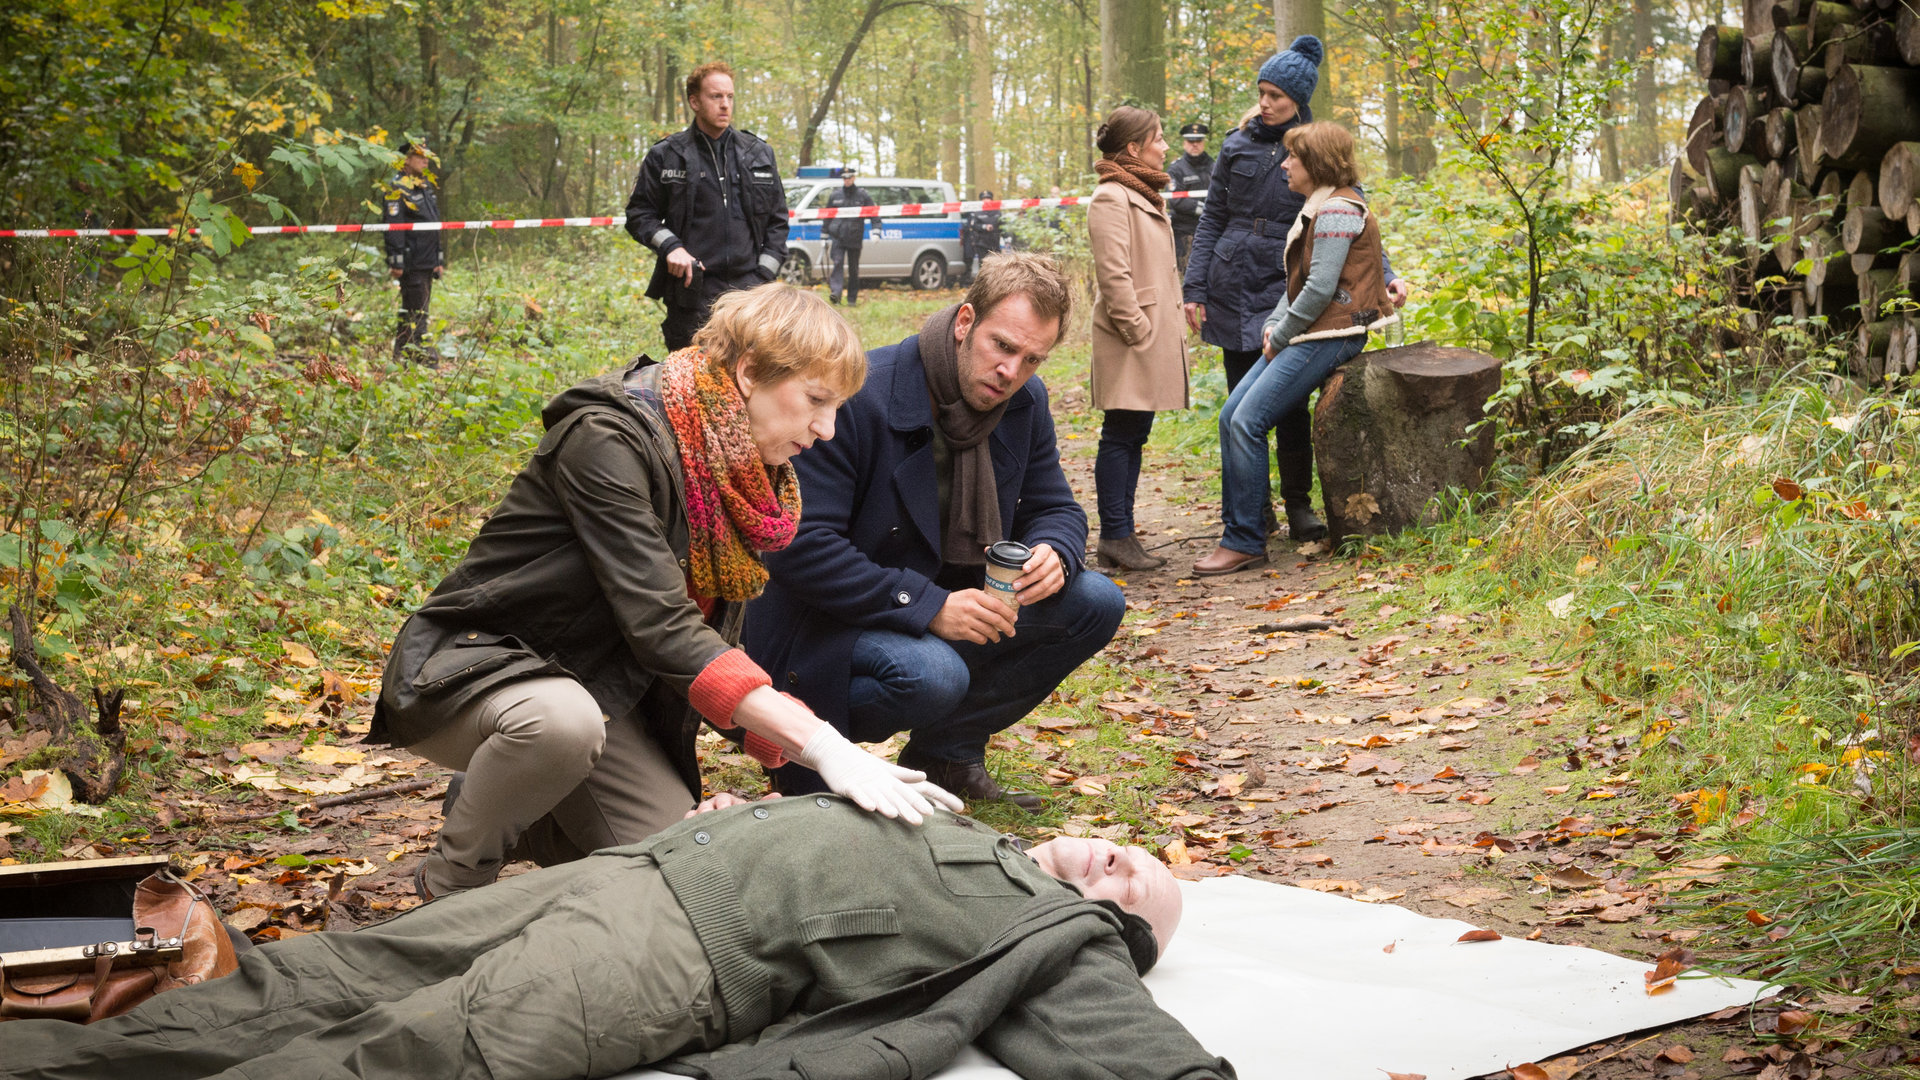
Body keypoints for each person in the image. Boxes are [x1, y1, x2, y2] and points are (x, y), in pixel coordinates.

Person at [371, 284, 960, 902]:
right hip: (483, 667)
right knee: (560, 727)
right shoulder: (609, 437)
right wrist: (822, 744)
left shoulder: (737, 471)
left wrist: (784, 741)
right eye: (816, 400)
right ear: (750, 371)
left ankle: (522, 797)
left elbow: (710, 637)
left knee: (688, 877)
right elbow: (663, 626)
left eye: (837, 407)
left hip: (605, 694)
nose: (827, 429)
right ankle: (451, 882)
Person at [0, 796, 1230, 1080]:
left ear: (1110, 930)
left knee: (401, 1055)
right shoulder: (968, 826)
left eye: (1137, 890)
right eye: (1130, 850)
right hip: (630, 871)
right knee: (324, 974)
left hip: (673, 957)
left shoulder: (1052, 936)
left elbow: (1134, 1048)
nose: (1119, 862)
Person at [744, 253, 1126, 811]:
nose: (1011, 371)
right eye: (1002, 346)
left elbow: (1056, 506)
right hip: (826, 620)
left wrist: (1056, 551)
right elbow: (800, 547)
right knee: (931, 674)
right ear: (965, 322)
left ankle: (948, 754)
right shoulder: (863, 394)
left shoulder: (1024, 402)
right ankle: (810, 759)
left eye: (1031, 359)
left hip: (950, 599)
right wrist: (929, 606)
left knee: (1095, 600)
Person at [1180, 36, 1408, 546]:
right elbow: (1212, 217)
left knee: (1288, 404)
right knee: (1241, 400)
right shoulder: (1236, 144)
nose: (1264, 103)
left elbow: (1355, 219)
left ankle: (1299, 505)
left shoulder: (1316, 149)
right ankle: (1253, 511)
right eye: (1261, 93)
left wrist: (1386, 274)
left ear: (1298, 100)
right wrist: (1195, 287)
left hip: (1293, 278)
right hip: (1234, 279)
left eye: (1276, 96)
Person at [1198, 123, 1398, 577]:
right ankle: (1240, 527)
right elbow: (1301, 282)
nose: (1285, 165)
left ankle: (1244, 541)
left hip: (1333, 334)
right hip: (1311, 331)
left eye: (1293, 158)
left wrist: (1283, 334)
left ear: (1318, 164)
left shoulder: (1339, 209)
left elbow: (1321, 288)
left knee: (1248, 421)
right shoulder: (1319, 205)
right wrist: (1275, 323)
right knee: (1231, 415)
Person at [1086, 106, 1190, 573]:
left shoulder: (1139, 192)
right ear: (1134, 148)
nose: (1165, 147)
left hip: (1145, 336)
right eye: (1159, 138)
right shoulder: (1111, 197)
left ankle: (1123, 534)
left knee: (1133, 434)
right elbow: (1114, 275)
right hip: (1130, 339)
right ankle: (1114, 534)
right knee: (1121, 434)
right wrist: (1138, 329)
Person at [626, 62, 790, 351]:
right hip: (692, 294)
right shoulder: (667, 155)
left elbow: (778, 223)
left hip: (750, 296)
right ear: (695, 102)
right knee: (693, 375)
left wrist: (762, 278)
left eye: (730, 96)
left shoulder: (758, 154)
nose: (725, 104)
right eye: (716, 96)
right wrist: (671, 247)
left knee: (748, 373)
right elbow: (639, 215)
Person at [384, 140, 445, 363]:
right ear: (406, 160)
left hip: (427, 260)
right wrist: (396, 260)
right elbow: (393, 226)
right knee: (416, 311)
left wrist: (438, 258)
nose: (425, 160)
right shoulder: (398, 188)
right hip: (412, 260)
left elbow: (434, 225)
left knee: (414, 310)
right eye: (419, 156)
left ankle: (401, 354)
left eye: (426, 156)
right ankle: (421, 356)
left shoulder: (424, 186)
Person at [1165, 122, 1213, 273]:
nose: (1195, 145)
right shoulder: (1176, 169)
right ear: (1184, 143)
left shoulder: (1214, 166)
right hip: (1184, 233)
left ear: (1203, 142)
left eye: (1198, 141)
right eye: (1191, 141)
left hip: (1209, 231)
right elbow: (1176, 200)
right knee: (1185, 275)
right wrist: (1204, 209)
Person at [823, 167, 874, 306]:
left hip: (854, 237)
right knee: (837, 264)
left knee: (853, 269)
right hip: (837, 236)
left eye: (849, 177)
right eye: (844, 178)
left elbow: (873, 212)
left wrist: (876, 230)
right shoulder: (835, 195)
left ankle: (852, 299)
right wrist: (824, 233)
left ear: (854, 178)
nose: (846, 180)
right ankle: (836, 295)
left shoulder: (862, 195)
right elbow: (827, 215)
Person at [960, 189, 1002, 282]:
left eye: (988, 198)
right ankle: (983, 284)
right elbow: (974, 226)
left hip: (994, 243)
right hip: (982, 243)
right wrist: (984, 227)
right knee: (983, 266)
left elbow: (1002, 226)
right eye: (984, 199)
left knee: (997, 266)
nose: (986, 200)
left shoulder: (997, 212)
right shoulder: (977, 212)